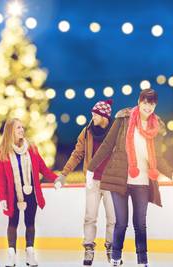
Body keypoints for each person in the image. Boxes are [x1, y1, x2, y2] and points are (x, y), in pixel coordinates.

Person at [87, 89, 173, 267]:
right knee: (121, 223)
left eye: (152, 104)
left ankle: (143, 260)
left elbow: (158, 158)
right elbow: (107, 145)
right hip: (120, 179)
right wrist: (91, 168)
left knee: (140, 224)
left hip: (142, 182)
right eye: (145, 102)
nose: (148, 107)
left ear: (155, 105)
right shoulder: (123, 120)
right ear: (139, 102)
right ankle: (116, 258)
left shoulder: (155, 127)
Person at [57, 100, 116, 266]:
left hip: (111, 181)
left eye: (96, 114)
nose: (93, 117)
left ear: (104, 116)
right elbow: (77, 154)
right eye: (93, 114)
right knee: (90, 217)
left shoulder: (116, 131)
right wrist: (64, 174)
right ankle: (89, 247)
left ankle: (111, 247)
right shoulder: (87, 132)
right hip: (93, 182)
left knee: (113, 218)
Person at [0, 118, 60, 267]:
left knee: (30, 223)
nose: (21, 130)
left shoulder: (31, 148)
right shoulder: (3, 152)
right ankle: (11, 254)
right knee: (13, 223)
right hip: (13, 195)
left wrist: (56, 179)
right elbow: (1, 179)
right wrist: (2, 198)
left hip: (31, 193)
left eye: (22, 127)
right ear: (10, 131)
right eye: (18, 128)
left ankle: (30, 252)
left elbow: (43, 168)